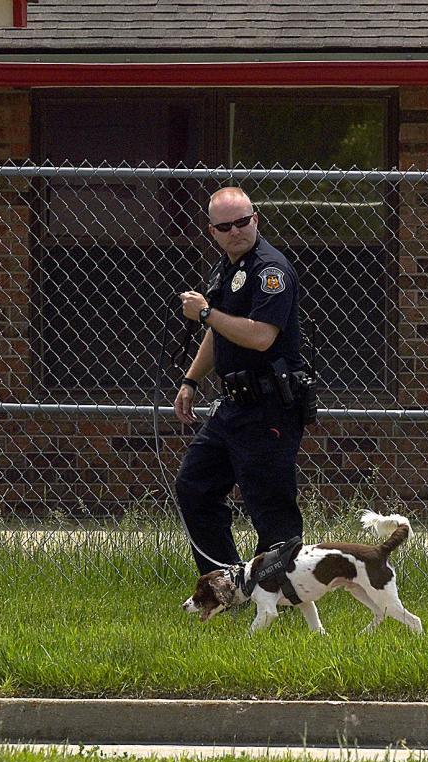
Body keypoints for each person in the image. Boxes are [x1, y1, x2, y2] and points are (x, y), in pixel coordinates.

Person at [174, 186, 307, 574]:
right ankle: (228, 581)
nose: (236, 231)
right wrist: (191, 380)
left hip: (270, 406)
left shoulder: (270, 270)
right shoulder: (228, 267)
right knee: (194, 486)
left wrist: (205, 314)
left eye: (243, 222)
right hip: (233, 404)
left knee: (270, 509)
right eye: (226, 225)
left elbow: (260, 335)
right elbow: (221, 332)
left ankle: (278, 596)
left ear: (256, 219)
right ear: (212, 231)